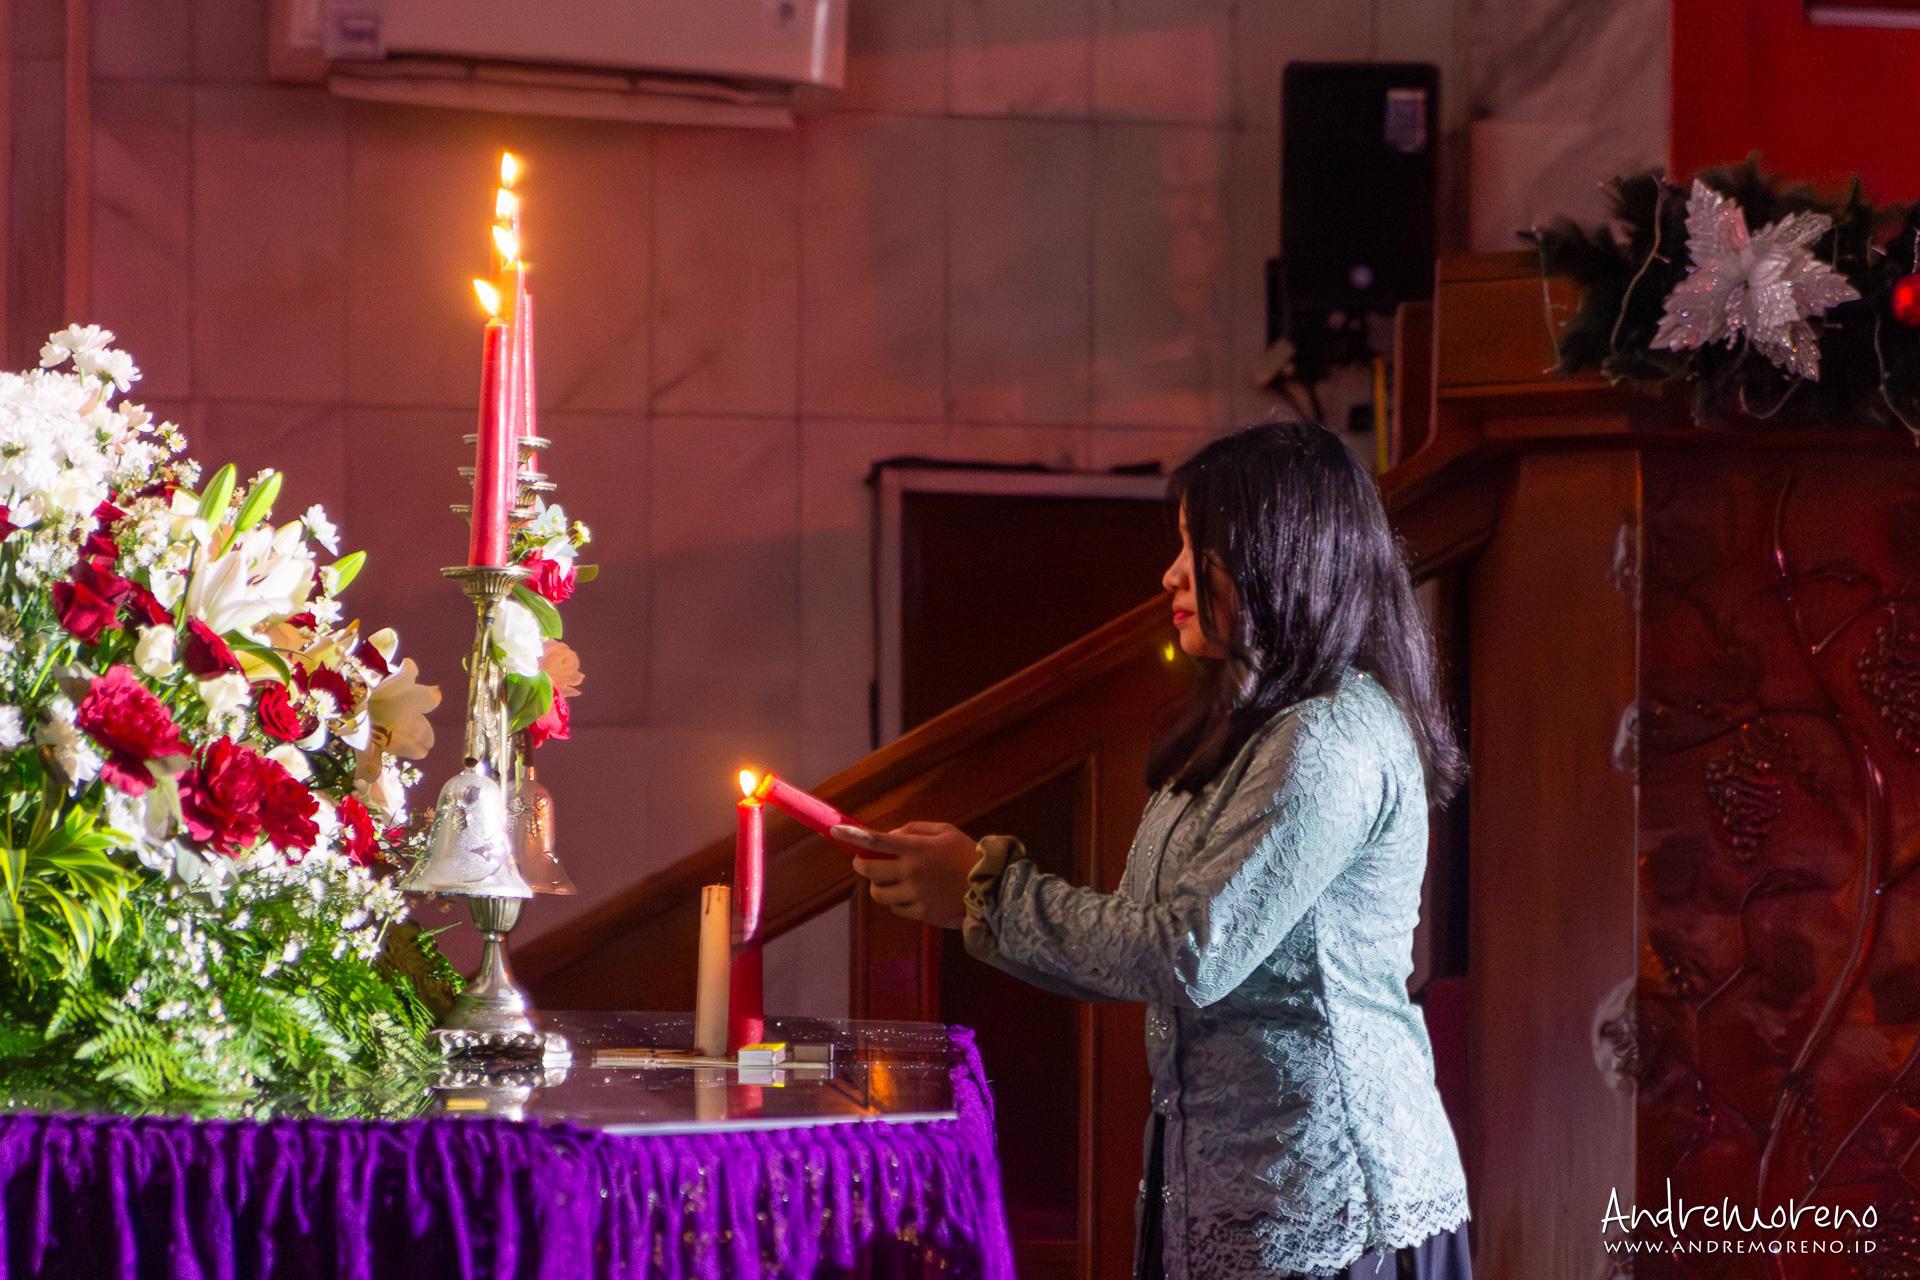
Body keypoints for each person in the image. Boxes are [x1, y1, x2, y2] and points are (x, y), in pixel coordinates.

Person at [832, 422, 1474, 1280]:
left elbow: (1190, 951)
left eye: (1196, 549)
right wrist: (975, 898)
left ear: (1280, 556)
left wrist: (989, 891)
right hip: (1226, 1177)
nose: (1171, 574)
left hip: (1327, 1198)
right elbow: (1143, 942)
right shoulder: (1253, 723)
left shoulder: (1327, 739)